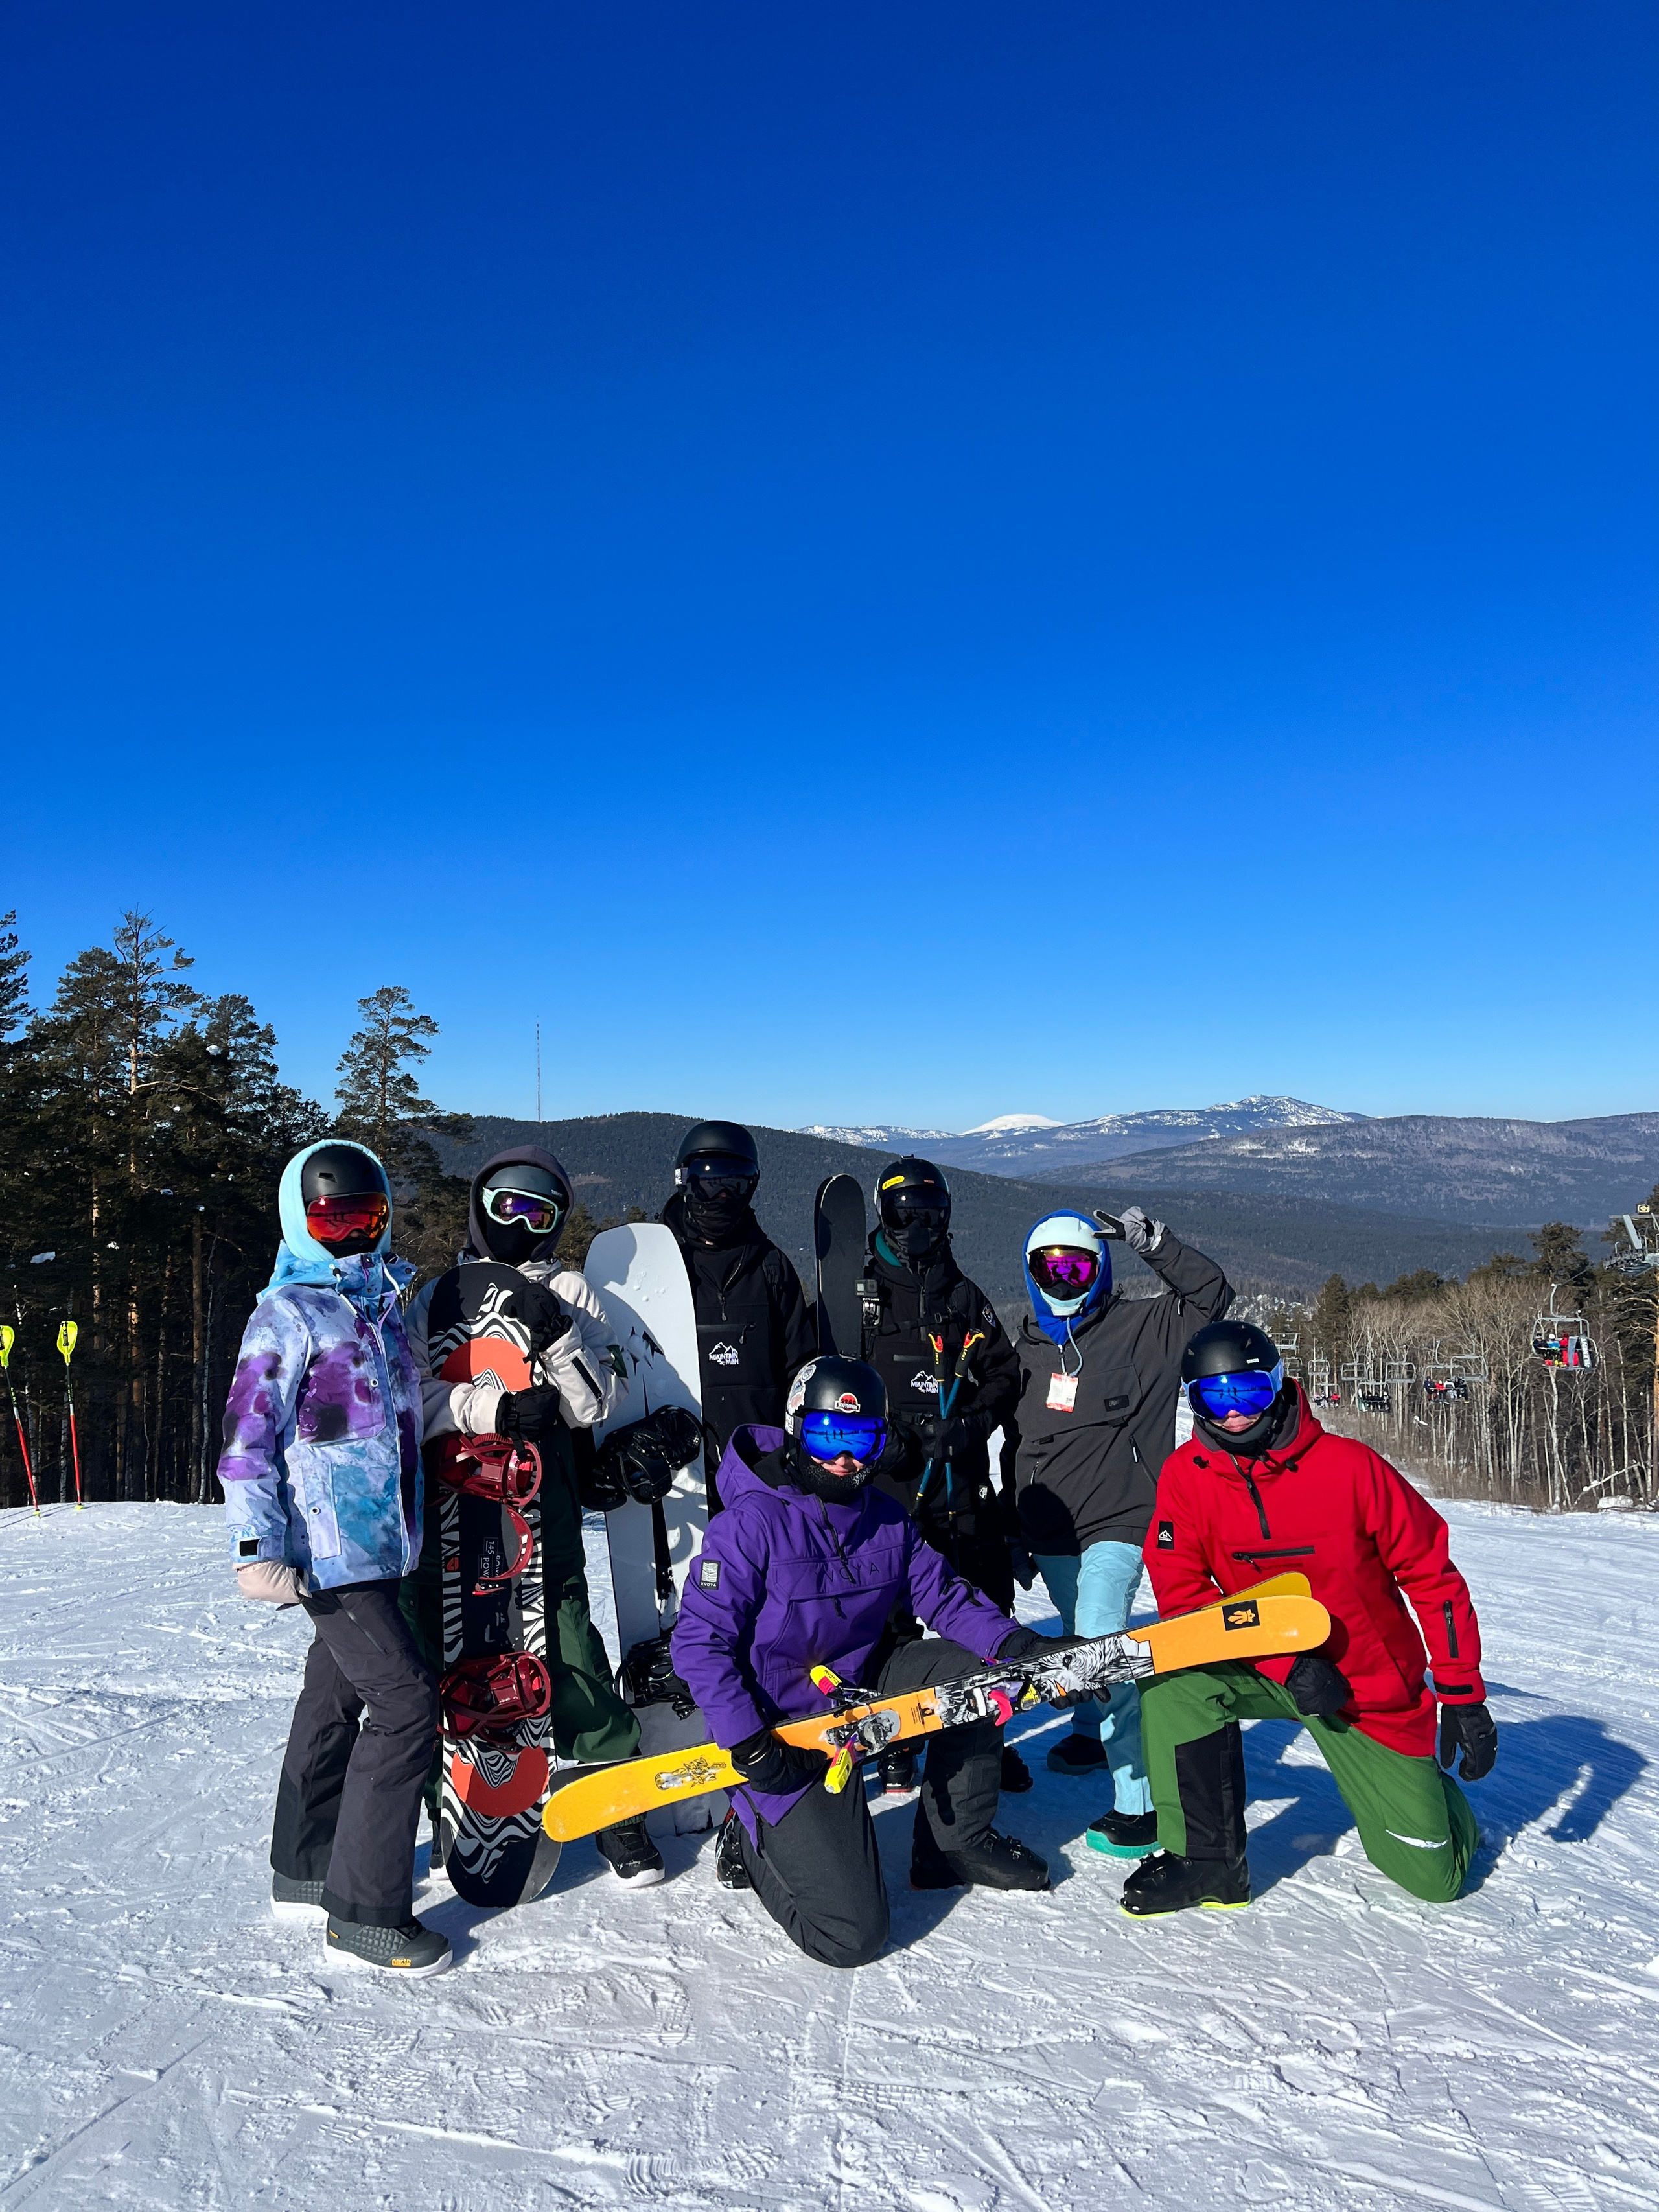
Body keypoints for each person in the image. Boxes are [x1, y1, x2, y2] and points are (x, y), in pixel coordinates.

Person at [671, 1356, 1066, 1970]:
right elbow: (699, 1642)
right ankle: (750, 1841)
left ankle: (950, 1842)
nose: (844, 1458)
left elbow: (943, 1595)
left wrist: (1013, 1646)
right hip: (782, 1726)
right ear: (798, 1429)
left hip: (857, 1687)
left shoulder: (885, 1517)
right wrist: (748, 1742)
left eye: (861, 1439)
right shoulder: (749, 1524)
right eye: (829, 1435)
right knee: (851, 1935)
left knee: (980, 1679)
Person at [1124, 1320, 1496, 1917]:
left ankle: (1435, 1800)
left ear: (1277, 1384)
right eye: (1214, 1396)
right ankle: (1206, 1861)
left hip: (1370, 1690)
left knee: (1434, 1878)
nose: (1235, 1412)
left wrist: (1462, 1692)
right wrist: (1283, 1661)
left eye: (1248, 1391)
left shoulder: (1350, 1467)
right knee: (1174, 1677)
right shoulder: (1186, 1477)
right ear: (1193, 1401)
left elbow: (1433, 1577)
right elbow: (1183, 1597)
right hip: (1274, 1669)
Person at [220, 1140, 450, 1977]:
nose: (353, 1235)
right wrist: (256, 1551)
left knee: (338, 1688)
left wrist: (464, 1402)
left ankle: (305, 1862)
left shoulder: (384, 1306)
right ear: (301, 1223)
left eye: (367, 1216)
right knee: (405, 1702)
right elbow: (247, 1442)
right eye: (334, 1219)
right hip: (330, 1552)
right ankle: (363, 1910)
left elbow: (403, 1410)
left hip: (386, 1540)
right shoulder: (289, 1315)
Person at [404, 1145, 662, 1889]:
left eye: (537, 1212)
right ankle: (443, 1805)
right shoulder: (438, 1299)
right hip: (453, 1504)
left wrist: (559, 1336)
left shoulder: (574, 1290)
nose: (519, 1223)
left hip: (539, 1499)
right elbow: (409, 1402)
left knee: (565, 1637)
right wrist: (484, 1406)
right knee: (448, 1653)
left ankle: (619, 1809)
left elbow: (596, 1403)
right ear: (480, 1207)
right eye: (505, 1205)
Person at [1006, 1205, 1231, 1857]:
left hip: (1122, 1517)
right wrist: (1010, 1524)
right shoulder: (1021, 1346)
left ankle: (1138, 1802)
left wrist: (1156, 1244)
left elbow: (1211, 1294)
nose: (1065, 1278)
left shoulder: (1146, 1326)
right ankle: (1086, 1728)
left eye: (1078, 1266)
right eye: (1051, 1267)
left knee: (1103, 1637)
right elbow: (1014, 1444)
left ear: (1100, 1270)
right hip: (1049, 1526)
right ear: (1031, 1272)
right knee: (1079, 1624)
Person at [853, 1158, 1028, 1793]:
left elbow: (1005, 1370)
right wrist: (887, 1440)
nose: (916, 1225)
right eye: (904, 1212)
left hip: (959, 1490)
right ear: (884, 1212)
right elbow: (823, 1388)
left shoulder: (962, 1296)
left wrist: (973, 1420)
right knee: (890, 1628)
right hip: (887, 1493)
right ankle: (898, 1742)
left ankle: (986, 1736)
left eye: (929, 1213)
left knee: (985, 1613)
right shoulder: (858, 1296)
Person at [660, 1119, 817, 1509]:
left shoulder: (771, 1268)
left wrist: (795, 1456)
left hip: (761, 1467)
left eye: (736, 1183)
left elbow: (801, 1368)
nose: (722, 1196)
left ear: (752, 1186)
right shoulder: (662, 1267)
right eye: (708, 1182)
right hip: (681, 1473)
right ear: (685, 1182)